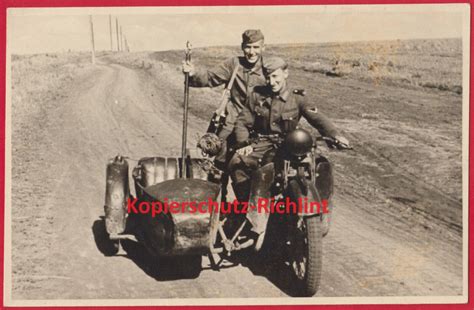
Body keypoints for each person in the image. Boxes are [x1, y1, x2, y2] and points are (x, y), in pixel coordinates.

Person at [229, 56, 350, 204]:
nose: (271, 82)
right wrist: (243, 144)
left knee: (315, 169)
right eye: (268, 77)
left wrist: (335, 135)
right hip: (263, 143)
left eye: (275, 76)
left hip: (289, 144)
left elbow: (317, 118)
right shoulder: (256, 95)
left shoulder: (297, 97)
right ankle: (248, 204)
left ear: (285, 73)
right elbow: (242, 122)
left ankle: (312, 206)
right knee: (237, 163)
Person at [182, 29, 267, 169]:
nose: (252, 52)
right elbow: (210, 78)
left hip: (258, 130)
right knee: (218, 168)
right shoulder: (234, 64)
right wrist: (193, 73)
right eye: (248, 47)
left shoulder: (269, 68)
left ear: (263, 47)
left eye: (256, 47)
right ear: (242, 47)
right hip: (230, 127)